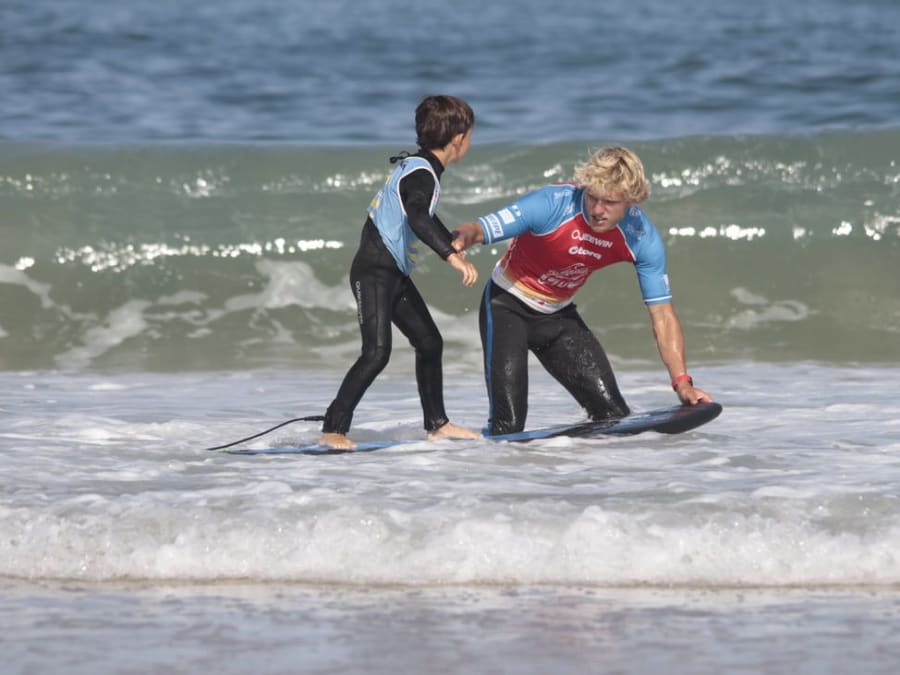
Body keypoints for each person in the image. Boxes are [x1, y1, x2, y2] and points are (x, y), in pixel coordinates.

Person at [451, 145, 713, 435]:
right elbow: (479, 228)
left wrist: (682, 383)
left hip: (558, 317)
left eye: (610, 202)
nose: (597, 210)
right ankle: (470, 467)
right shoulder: (552, 204)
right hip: (506, 307)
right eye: (592, 197)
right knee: (508, 427)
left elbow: (662, 314)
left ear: (629, 200)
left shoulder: (640, 235)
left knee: (613, 417)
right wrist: (458, 241)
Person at [319, 95, 481, 450]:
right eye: (470, 135)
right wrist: (451, 258)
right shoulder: (422, 173)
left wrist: (449, 240)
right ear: (458, 139)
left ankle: (437, 424)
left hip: (391, 273)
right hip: (375, 271)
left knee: (429, 342)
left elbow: (421, 213)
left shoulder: (420, 169)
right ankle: (333, 428)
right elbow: (418, 216)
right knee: (376, 353)